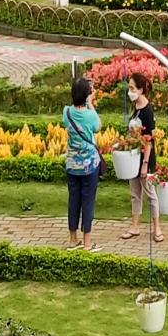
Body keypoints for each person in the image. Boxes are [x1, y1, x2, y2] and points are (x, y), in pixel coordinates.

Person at [121, 72, 163, 242]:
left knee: (150, 193)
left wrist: (145, 164)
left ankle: (157, 228)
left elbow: (149, 140)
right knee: (135, 193)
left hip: (145, 158)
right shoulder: (135, 108)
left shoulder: (147, 110)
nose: (129, 91)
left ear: (140, 90)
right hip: (133, 158)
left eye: (132, 88)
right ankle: (135, 226)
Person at [61, 77, 101, 250]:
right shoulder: (89, 115)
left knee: (73, 200)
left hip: (72, 164)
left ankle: (72, 239)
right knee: (87, 201)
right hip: (89, 165)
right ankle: (87, 242)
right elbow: (98, 127)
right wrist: (91, 103)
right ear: (86, 94)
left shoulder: (66, 112)